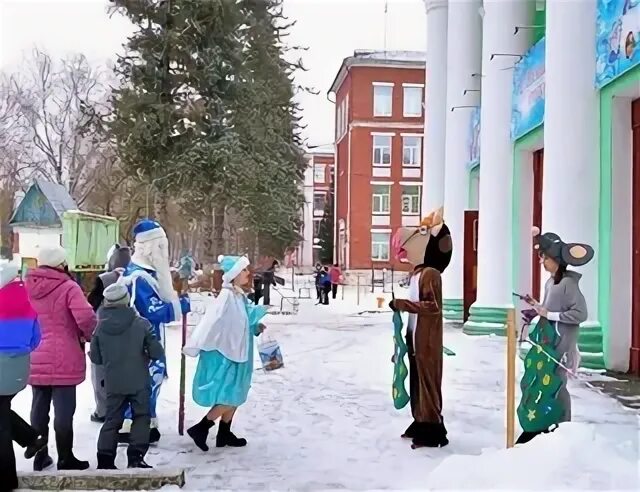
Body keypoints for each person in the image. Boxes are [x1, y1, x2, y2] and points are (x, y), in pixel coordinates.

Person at [515, 227, 592, 445]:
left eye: (545, 258)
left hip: (562, 342)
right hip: (548, 341)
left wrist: (550, 313)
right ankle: (542, 422)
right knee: (544, 381)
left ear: (556, 259)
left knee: (557, 381)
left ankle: (563, 424)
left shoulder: (568, 284)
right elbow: (548, 310)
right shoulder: (551, 282)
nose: (542, 262)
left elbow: (580, 314)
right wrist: (536, 307)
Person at [183, 255, 268, 452]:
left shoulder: (237, 295)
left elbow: (243, 320)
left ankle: (224, 432)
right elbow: (218, 324)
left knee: (238, 391)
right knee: (231, 394)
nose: (248, 273)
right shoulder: (227, 298)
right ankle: (202, 427)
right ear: (235, 275)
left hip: (239, 350)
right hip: (229, 353)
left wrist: (255, 325)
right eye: (244, 270)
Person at [117, 219, 190, 445]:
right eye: (161, 247)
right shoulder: (139, 277)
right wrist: (179, 307)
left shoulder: (147, 272)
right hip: (141, 343)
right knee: (144, 383)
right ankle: (136, 425)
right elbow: (151, 311)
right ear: (148, 247)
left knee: (152, 382)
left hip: (150, 340)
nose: (163, 253)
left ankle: (147, 422)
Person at [24, 246, 97, 471]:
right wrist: (86, 335)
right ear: (61, 264)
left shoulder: (27, 286)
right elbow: (86, 318)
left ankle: (40, 456)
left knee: (38, 408)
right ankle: (66, 457)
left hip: (34, 353)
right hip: (65, 355)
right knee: (64, 412)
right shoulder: (68, 287)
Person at [389, 207, 452, 449]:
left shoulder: (431, 274)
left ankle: (434, 428)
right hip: (415, 336)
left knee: (427, 383)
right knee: (416, 381)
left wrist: (403, 304)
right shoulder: (418, 273)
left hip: (427, 340)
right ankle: (420, 420)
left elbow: (432, 306)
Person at [91, 283, 164, 470]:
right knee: (141, 417)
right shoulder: (141, 324)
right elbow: (156, 352)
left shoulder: (99, 328)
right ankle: (136, 457)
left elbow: (96, 358)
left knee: (112, 419)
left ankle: (105, 458)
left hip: (113, 382)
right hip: (139, 381)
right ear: (126, 300)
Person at [0, 262, 47, 490]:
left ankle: (6, 479)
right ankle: (31, 438)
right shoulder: (28, 302)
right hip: (19, 369)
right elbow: (36, 339)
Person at [87, 244, 131, 424]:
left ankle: (103, 410)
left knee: (101, 374)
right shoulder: (135, 279)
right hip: (129, 333)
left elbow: (91, 304)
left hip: (104, 333)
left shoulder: (104, 279)